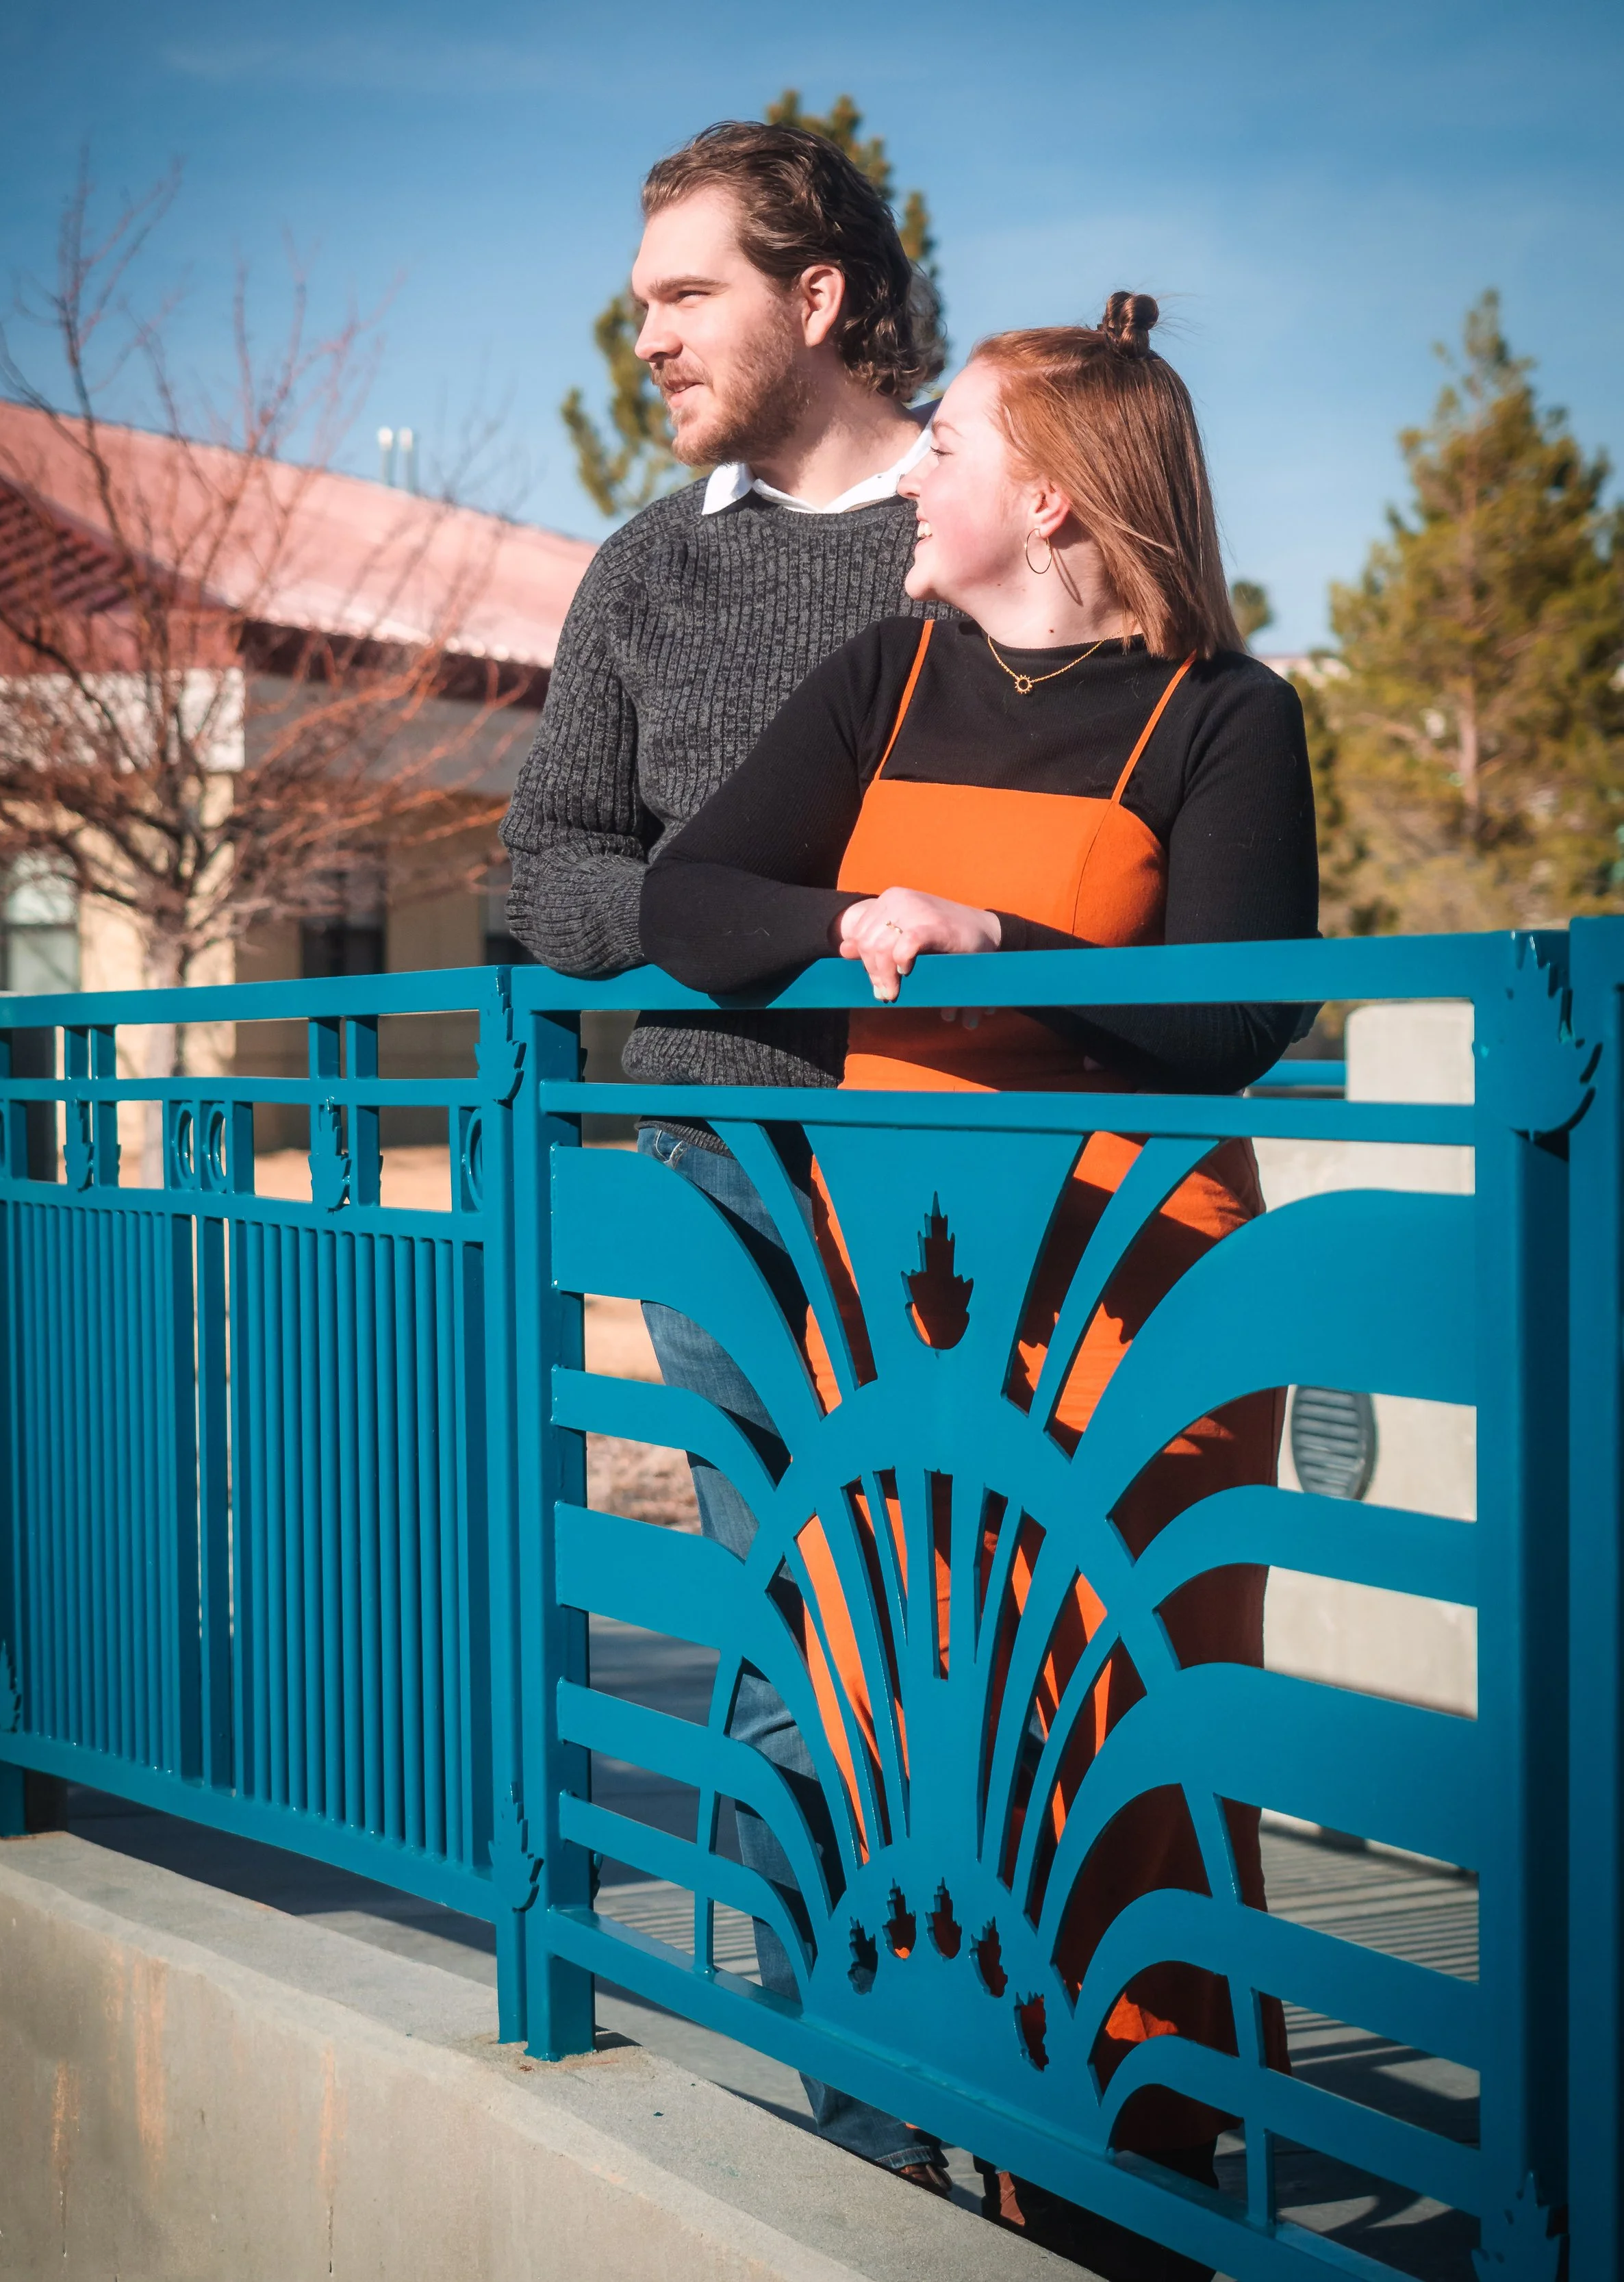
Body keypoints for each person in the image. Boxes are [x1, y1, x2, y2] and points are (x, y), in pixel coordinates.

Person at [641, 294, 1317, 2281]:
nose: (911, 473)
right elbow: (693, 902)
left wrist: (977, 935)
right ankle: (954, 2133)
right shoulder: (885, 665)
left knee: (1121, 1723)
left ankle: (1165, 2176)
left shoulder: (1222, 711)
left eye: (945, 447)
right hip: (900, 1312)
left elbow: (1234, 1015)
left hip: (1141, 1307)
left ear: (1048, 490)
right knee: (907, 1716)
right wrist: (855, 915)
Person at [503, 121, 954, 2191]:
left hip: (976, 1163)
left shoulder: (978, 528)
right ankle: (872, 2126)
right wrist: (760, 904)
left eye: (685, 290)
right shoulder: (645, 568)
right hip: (719, 1174)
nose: (645, 327)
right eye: (641, 293)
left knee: (979, 1632)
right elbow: (539, 868)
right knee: (795, 1650)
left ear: (819, 295)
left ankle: (1054, 2112)